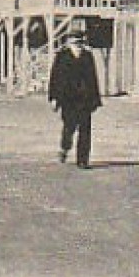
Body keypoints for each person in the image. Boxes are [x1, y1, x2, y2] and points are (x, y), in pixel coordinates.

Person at [47, 23, 102, 168]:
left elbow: (93, 78)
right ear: (69, 42)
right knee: (69, 127)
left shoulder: (88, 56)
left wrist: (95, 100)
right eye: (74, 41)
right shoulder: (61, 56)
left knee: (85, 130)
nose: (77, 44)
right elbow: (54, 78)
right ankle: (65, 147)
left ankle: (82, 160)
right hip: (68, 99)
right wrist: (53, 98)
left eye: (80, 41)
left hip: (84, 100)